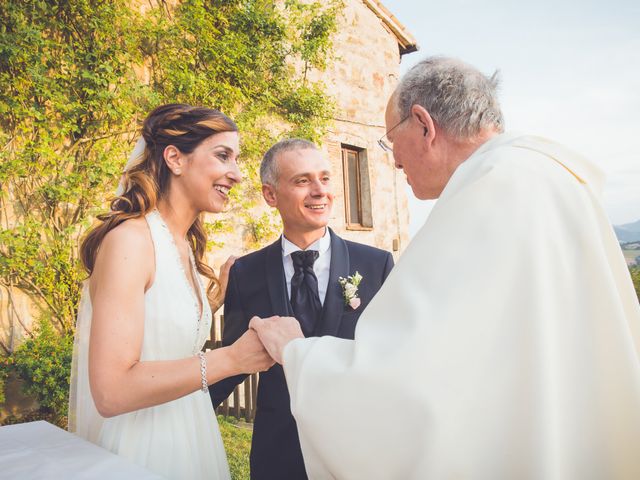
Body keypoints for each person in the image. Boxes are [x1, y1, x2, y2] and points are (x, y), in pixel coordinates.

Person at [249, 57, 640, 479]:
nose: (394, 161)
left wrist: (297, 351)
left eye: (389, 141)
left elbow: (410, 378)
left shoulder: (489, 193)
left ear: (423, 125)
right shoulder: (548, 176)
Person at [68, 103, 274, 479]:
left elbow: (159, 335)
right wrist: (231, 359)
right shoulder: (131, 240)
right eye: (223, 156)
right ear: (175, 159)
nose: (237, 174)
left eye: (237, 159)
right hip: (144, 449)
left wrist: (209, 304)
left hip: (190, 435)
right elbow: (111, 391)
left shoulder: (182, 245)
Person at [208, 139, 394, 479]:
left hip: (355, 454)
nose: (319, 191)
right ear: (270, 195)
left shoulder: (377, 265)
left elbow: (392, 361)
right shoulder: (245, 273)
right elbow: (231, 363)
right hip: (278, 456)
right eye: (302, 180)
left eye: (324, 178)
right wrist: (177, 410)